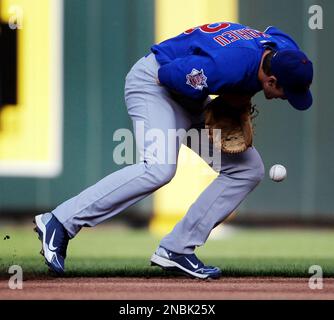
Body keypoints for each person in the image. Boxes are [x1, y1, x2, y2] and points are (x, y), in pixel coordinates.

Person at [34, 22, 313, 279]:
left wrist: (233, 100)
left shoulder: (283, 50)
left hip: (189, 92)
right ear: (272, 81)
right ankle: (59, 221)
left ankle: (177, 249)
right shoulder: (225, 66)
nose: (287, 98)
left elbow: (274, 32)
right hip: (155, 84)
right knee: (159, 168)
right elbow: (168, 75)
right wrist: (229, 105)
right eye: (286, 92)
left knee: (247, 169)